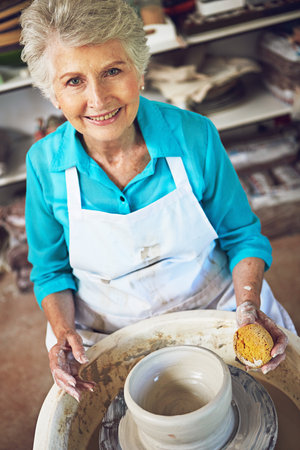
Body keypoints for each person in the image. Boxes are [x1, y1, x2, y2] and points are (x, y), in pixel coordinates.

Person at [20, 0, 295, 403]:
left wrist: (248, 306)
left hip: (216, 304)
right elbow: (50, 272)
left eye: (112, 71)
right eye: (73, 81)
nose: (97, 100)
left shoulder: (193, 134)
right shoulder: (44, 165)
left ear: (140, 70)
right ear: (53, 94)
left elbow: (242, 237)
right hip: (106, 328)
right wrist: (64, 335)